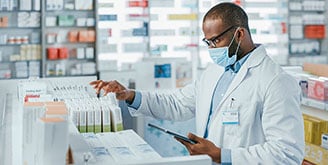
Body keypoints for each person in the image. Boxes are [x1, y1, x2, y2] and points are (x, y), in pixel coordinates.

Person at [90, 2, 305, 164]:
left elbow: (287, 153)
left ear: (239, 34)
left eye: (216, 41)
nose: (212, 48)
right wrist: (130, 95)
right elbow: (178, 104)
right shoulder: (214, 71)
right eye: (207, 42)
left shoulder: (276, 81)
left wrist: (222, 155)